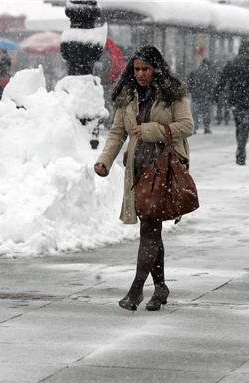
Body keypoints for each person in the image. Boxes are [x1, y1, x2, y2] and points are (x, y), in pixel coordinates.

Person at [93, 46, 194, 311]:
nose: (140, 74)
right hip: (138, 169)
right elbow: (117, 133)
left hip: (163, 168)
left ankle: (136, 290)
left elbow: (186, 126)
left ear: (156, 69)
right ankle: (160, 288)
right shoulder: (128, 96)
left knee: (150, 228)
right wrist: (104, 160)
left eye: (146, 69)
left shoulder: (173, 94)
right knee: (152, 227)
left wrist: (152, 130)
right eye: (136, 69)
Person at [215, 39, 249, 165]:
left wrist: (216, 94)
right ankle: (241, 147)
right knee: (245, 124)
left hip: (234, 99)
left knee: (239, 124)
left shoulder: (232, 62)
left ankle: (240, 145)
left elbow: (222, 79)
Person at [187, 58, 215, 134]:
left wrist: (191, 90)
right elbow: (212, 84)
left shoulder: (195, 71)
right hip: (205, 94)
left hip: (196, 94)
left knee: (195, 111)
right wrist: (211, 93)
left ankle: (194, 127)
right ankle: (206, 127)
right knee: (206, 111)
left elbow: (189, 81)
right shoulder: (209, 73)